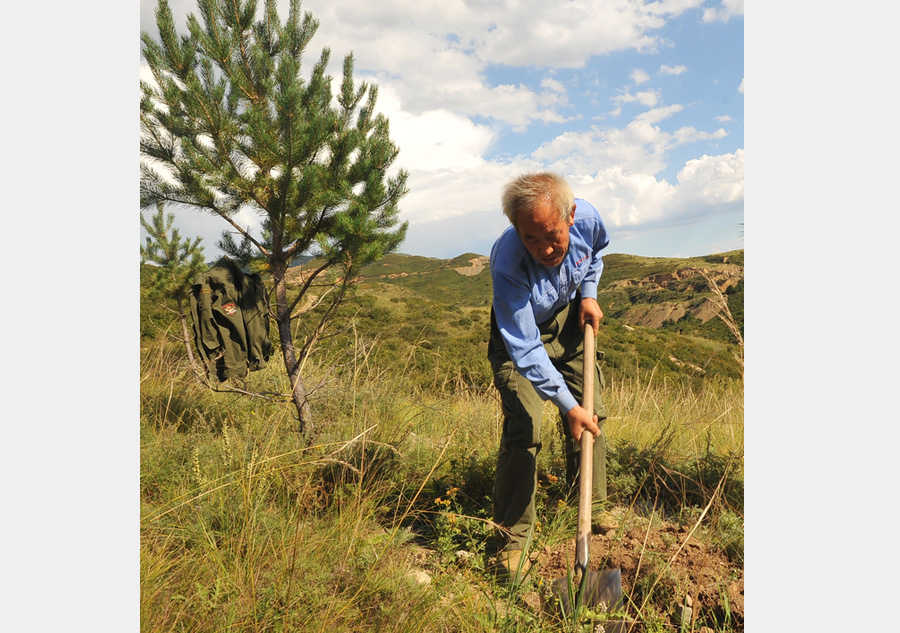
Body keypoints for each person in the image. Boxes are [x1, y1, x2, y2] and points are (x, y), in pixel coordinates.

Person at [488, 172, 614, 582]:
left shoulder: (589, 219)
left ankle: (592, 507)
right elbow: (524, 346)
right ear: (515, 230)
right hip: (521, 335)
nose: (543, 248)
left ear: (571, 216)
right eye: (530, 238)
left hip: (569, 319)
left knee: (592, 414)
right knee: (526, 427)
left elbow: (595, 253)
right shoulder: (507, 261)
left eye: (552, 235)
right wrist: (566, 406)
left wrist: (589, 292)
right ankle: (511, 539)